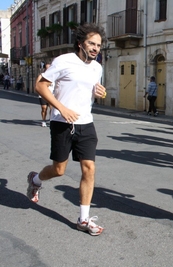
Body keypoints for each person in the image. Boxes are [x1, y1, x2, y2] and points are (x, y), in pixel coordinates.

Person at [26, 23, 107, 236]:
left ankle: (83, 219)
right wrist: (61, 108)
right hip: (62, 123)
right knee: (59, 170)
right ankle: (35, 180)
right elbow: (40, 86)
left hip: (86, 123)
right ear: (80, 43)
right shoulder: (64, 61)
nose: (96, 48)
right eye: (91, 43)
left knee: (89, 168)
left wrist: (100, 93)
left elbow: (90, 92)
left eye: (98, 45)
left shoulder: (97, 67)